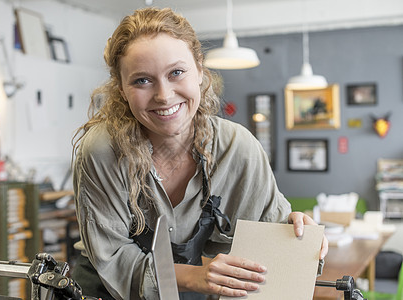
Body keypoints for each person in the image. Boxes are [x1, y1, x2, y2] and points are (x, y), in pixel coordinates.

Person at [71, 7, 328, 300]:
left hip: (192, 288)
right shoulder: (102, 151)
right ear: (121, 88)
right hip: (104, 289)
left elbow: (272, 251)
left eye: (176, 72)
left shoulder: (237, 149)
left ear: (200, 70)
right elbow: (115, 258)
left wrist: (298, 238)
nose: (164, 95)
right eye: (142, 80)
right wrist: (195, 276)